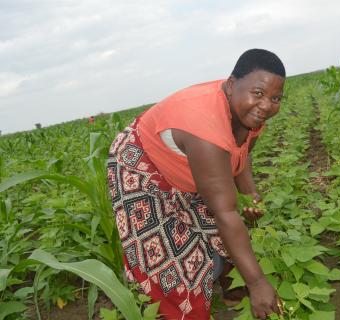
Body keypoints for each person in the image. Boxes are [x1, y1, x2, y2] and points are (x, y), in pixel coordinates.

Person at [107, 48, 285, 320]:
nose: (266, 105)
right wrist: (258, 282)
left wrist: (249, 193)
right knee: (172, 261)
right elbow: (224, 213)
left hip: (190, 163)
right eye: (258, 93)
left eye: (275, 98)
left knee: (221, 230)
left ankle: (231, 296)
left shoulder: (250, 114)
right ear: (231, 84)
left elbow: (242, 151)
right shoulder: (205, 128)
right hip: (141, 164)